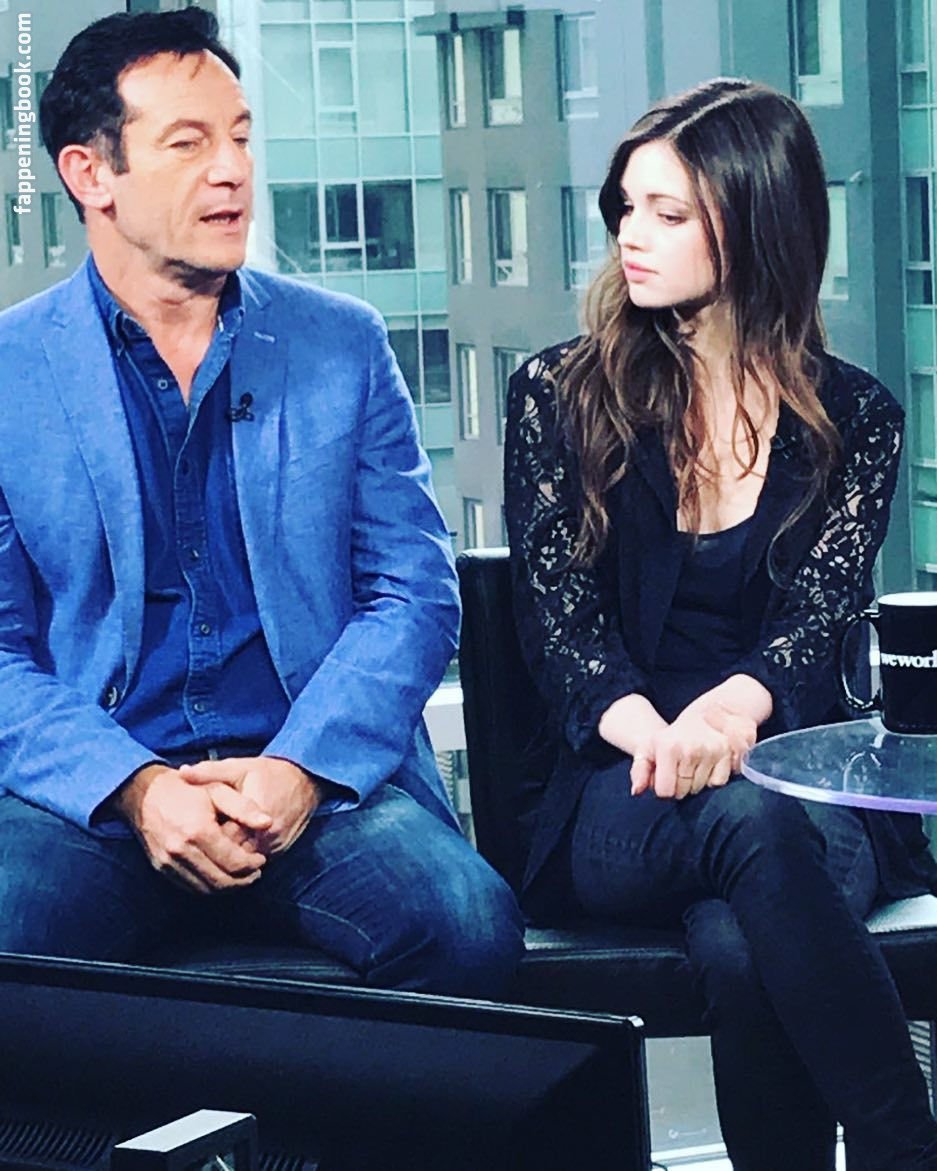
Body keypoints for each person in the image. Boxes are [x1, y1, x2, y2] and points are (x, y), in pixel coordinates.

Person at [0, 6, 524, 999]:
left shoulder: (343, 343)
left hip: (314, 787)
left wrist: (300, 771)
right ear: (90, 174)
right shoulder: (9, 371)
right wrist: (136, 788)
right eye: (188, 143)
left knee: (464, 922)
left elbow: (411, 592)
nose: (232, 170)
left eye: (240, 137)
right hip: (98, 797)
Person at [504, 77, 937, 1170]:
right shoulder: (558, 395)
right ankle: (904, 1146)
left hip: (793, 783)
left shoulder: (856, 418)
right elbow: (562, 635)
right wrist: (663, 737)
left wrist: (735, 714)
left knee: (744, 945)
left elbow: (815, 621)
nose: (629, 234)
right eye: (625, 206)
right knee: (749, 821)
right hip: (622, 784)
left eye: (667, 212)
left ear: (753, 225)